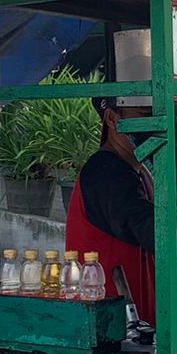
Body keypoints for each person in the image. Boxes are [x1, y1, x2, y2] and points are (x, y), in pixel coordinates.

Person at [66, 95, 156, 325]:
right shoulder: (105, 172)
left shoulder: (141, 170)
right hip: (111, 327)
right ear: (112, 119)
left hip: (141, 322)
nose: (156, 123)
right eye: (146, 116)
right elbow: (151, 231)